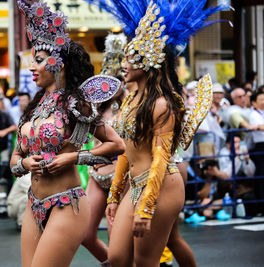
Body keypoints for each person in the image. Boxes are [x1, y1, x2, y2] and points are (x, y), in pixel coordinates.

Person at [90, 0, 228, 265]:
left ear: (150, 62)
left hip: (162, 185)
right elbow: (124, 151)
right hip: (135, 183)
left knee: (145, 262)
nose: (125, 65)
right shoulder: (130, 101)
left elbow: (161, 158)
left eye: (132, 59)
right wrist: (115, 194)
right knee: (117, 258)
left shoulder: (162, 104)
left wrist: (146, 207)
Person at [11, 1, 125, 266]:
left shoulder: (76, 104)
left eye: (38, 61)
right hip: (33, 205)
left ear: (59, 64)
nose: (32, 67)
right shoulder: (33, 107)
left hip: (68, 204)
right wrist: (24, 163)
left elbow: (116, 145)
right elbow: (15, 158)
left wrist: (71, 158)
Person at [81, 32, 128, 266]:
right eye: (108, 80)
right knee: (84, 233)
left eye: (118, 79)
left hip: (123, 176)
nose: (112, 85)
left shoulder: (133, 106)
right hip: (96, 174)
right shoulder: (97, 108)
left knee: (115, 237)